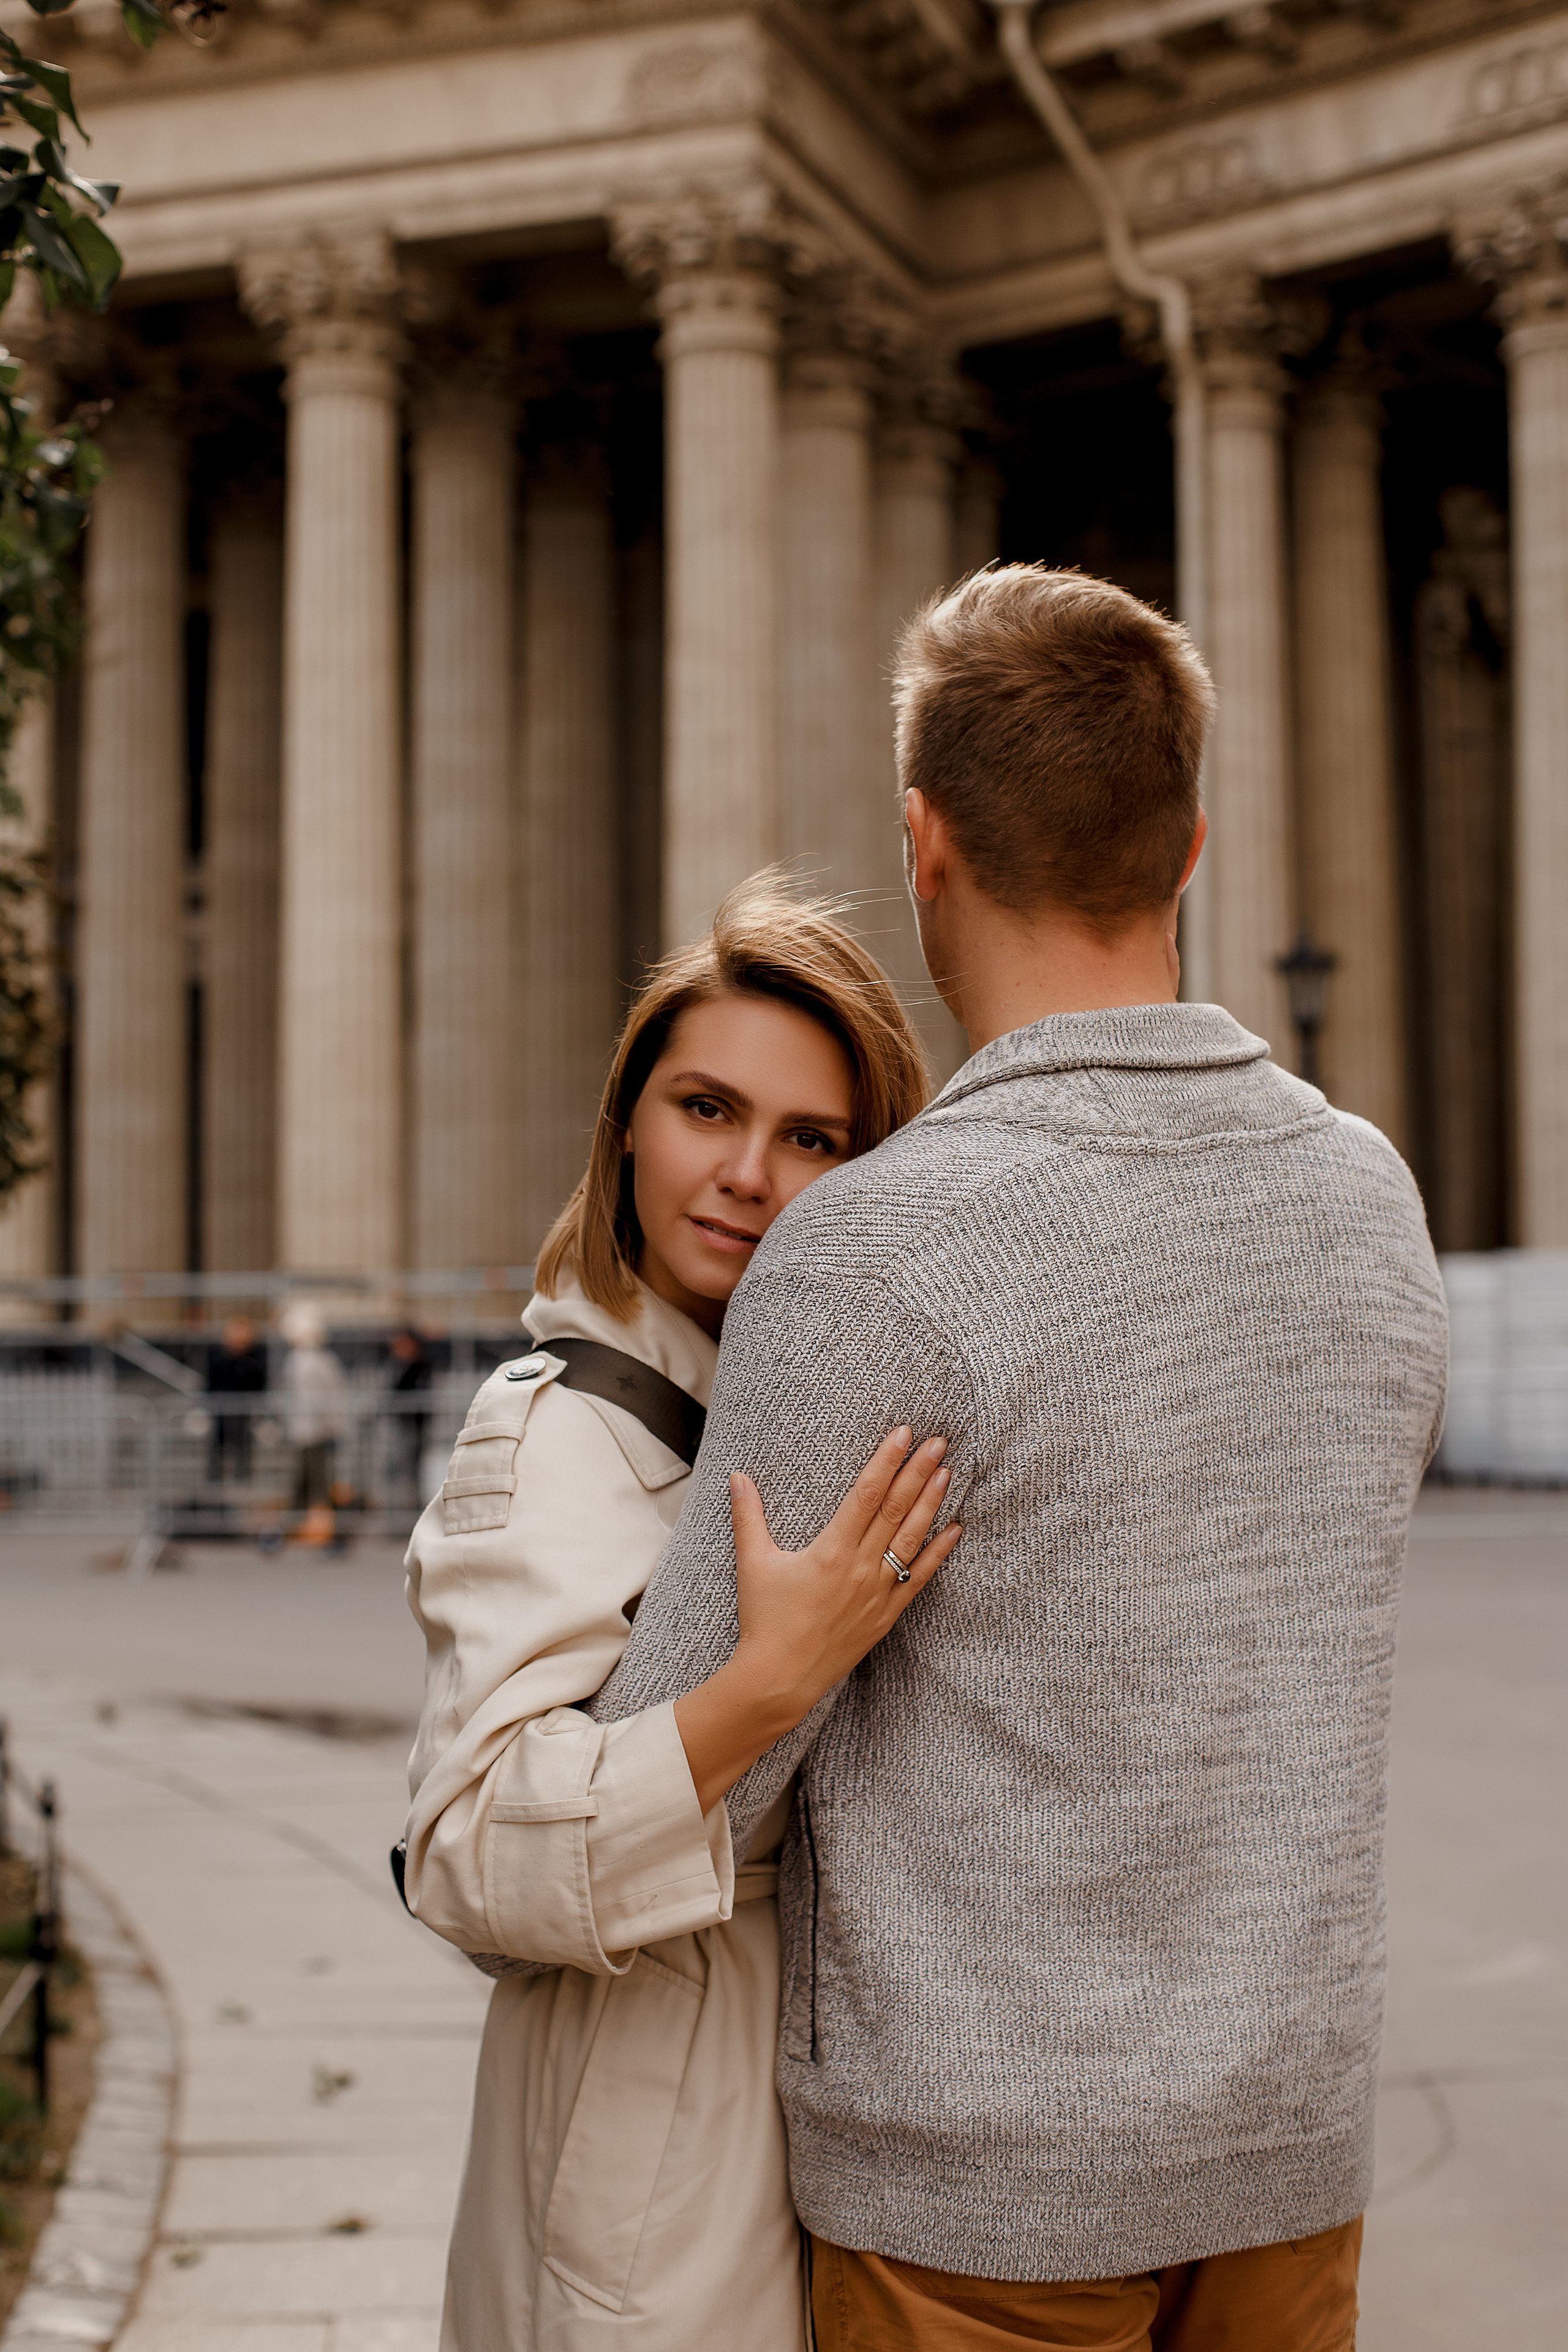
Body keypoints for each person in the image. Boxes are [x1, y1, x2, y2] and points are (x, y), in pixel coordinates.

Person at [595, 567, 1450, 2348]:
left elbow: (677, 1784)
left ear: (923, 842)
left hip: (971, 2195)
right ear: (1188, 847)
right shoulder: (1369, 1200)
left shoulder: (878, 1248)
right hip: (1287, 2148)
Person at [402, 880, 954, 2351]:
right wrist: (757, 1688)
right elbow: (460, 1854)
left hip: (837, 2125)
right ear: (628, 1125)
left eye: (810, 1136)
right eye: (707, 1108)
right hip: (639, 2137)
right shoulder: (552, 1434)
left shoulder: (795, 1414)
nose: (747, 1173)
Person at [279, 1302, 348, 1547]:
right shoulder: (312, 1360)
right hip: (311, 1430)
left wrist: (328, 1425)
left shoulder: (306, 1360)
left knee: (316, 1480)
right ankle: (299, 1522)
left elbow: (320, 1399)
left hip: (313, 1430)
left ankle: (318, 1526)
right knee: (310, 1479)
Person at [205, 1314, 267, 1487]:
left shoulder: (254, 1358)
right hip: (221, 1408)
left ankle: (243, 1478)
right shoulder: (218, 1355)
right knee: (218, 1443)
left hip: (244, 1409)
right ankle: (214, 1479)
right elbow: (211, 1382)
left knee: (244, 1444)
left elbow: (259, 1382)